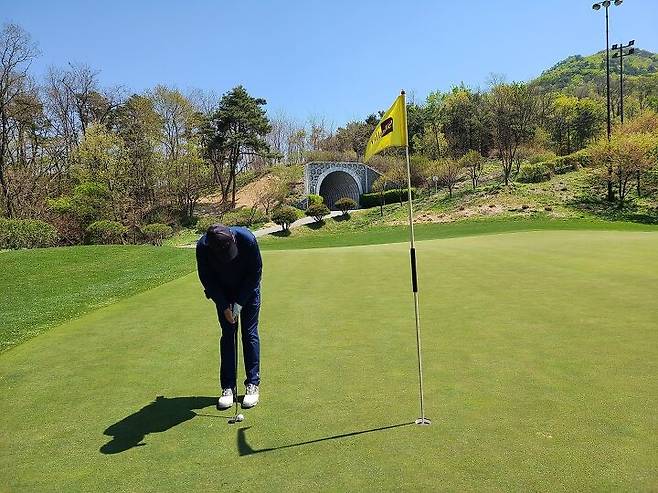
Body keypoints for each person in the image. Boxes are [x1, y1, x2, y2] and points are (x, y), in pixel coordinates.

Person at [196, 224, 262, 410]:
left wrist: (239, 303)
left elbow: (255, 273)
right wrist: (224, 305)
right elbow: (207, 279)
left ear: (232, 239)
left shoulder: (247, 239)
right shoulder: (203, 247)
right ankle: (228, 387)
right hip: (223, 293)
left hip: (248, 290)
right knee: (228, 335)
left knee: (249, 333)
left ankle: (252, 384)